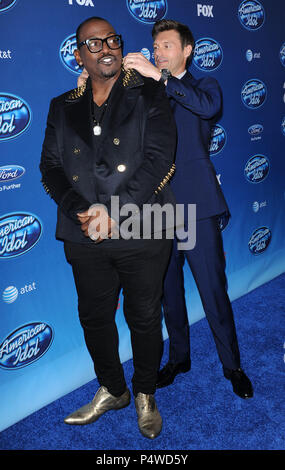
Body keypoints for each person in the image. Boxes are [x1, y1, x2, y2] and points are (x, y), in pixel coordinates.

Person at [40, 16, 177, 439]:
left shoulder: (150, 92)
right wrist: (80, 208)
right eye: (92, 43)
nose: (105, 47)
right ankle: (114, 388)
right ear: (78, 54)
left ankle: (145, 393)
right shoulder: (61, 106)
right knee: (95, 318)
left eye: (112, 40)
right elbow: (50, 167)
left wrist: (113, 212)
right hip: (85, 233)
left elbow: (159, 159)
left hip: (142, 226)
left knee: (145, 316)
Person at [123, 19, 253, 399]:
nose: (158, 52)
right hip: (155, 209)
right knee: (168, 292)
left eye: (166, 46)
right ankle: (179, 358)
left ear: (187, 50)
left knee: (213, 290)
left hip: (195, 206)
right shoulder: (146, 90)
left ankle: (233, 366)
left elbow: (208, 108)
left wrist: (161, 79)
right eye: (155, 47)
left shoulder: (202, 86)